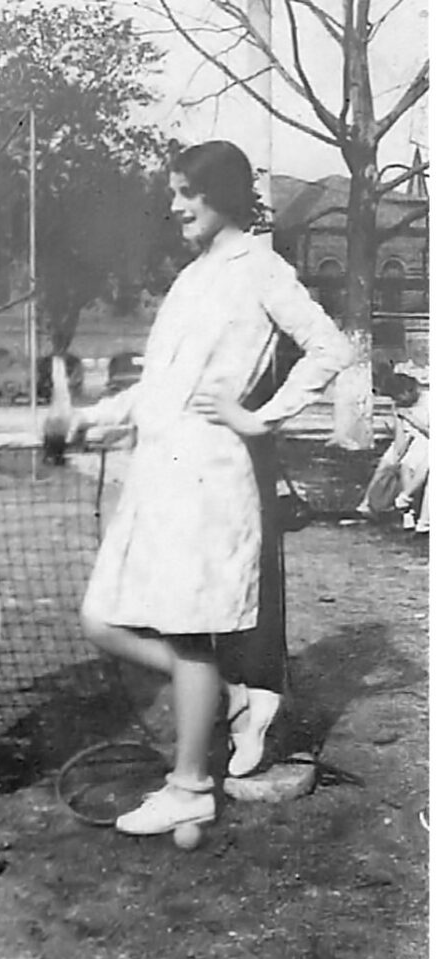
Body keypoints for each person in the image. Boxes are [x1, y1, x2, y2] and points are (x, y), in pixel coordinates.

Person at [69, 141, 352, 836]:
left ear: (220, 194)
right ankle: (226, 698)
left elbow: (330, 348)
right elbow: (158, 389)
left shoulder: (260, 267)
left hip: (209, 481)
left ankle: (192, 785)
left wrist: (257, 417)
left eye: (186, 193)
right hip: (159, 479)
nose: (174, 206)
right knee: (101, 618)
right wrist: (86, 421)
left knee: (188, 638)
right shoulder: (194, 277)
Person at [356, 371, 429, 533]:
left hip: (426, 438)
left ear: (410, 390)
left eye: (400, 397)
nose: (398, 401)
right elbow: (400, 437)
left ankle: (407, 505)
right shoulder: (400, 405)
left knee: (409, 464)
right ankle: (370, 504)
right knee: (389, 462)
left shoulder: (429, 400)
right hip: (412, 438)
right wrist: (396, 453)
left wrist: (411, 419)